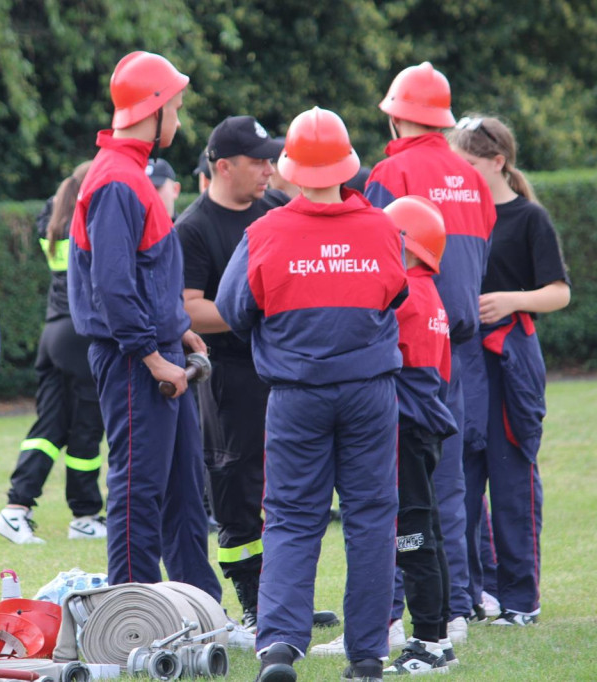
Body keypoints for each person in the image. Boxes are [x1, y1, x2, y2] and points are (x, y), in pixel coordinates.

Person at [216, 106, 408, 682]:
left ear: (291, 171)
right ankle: (368, 655)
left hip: (296, 393)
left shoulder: (264, 232)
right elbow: (394, 294)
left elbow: (231, 310)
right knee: (372, 518)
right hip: (370, 391)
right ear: (347, 167)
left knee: (292, 519)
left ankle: (278, 646)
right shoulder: (381, 227)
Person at [67, 50, 221, 601]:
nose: (178, 120)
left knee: (184, 489)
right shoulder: (116, 181)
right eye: (175, 107)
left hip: (157, 350)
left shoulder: (129, 174)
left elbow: (144, 275)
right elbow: (112, 285)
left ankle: (197, 607)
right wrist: (154, 356)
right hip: (137, 361)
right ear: (152, 111)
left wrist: (177, 329)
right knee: (139, 488)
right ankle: (131, 613)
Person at [363, 62, 497, 645]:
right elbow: (481, 247)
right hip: (455, 342)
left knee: (396, 487)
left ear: (396, 115)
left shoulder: (392, 171)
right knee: (448, 483)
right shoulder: (470, 177)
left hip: (404, 344)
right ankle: (456, 608)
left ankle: (395, 614)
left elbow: (373, 255)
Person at [448, 114, 570, 626]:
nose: (463, 175)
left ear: (498, 162)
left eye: (471, 165)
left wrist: (510, 301)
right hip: (461, 360)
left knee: (513, 480)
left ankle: (521, 601)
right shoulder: (454, 215)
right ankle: (475, 596)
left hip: (511, 360)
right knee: (462, 483)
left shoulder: (528, 218)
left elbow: (559, 292)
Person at [174, 114, 286, 630]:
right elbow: (188, 308)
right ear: (223, 166)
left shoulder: (280, 210)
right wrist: (254, 307)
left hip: (285, 371)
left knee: (289, 489)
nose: (269, 169)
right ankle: (254, 604)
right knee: (237, 492)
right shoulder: (193, 228)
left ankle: (284, 598)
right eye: (259, 160)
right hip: (231, 378)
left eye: (271, 159)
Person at [0, 161, 108, 545]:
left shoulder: (53, 219)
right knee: (87, 429)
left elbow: (55, 205)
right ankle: (85, 514)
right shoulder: (93, 221)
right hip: (82, 334)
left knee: (50, 426)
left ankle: (16, 507)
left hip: (54, 332)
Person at [380, 196, 458, 675]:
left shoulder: (405, 291)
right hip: (425, 427)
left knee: (413, 539)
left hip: (405, 429)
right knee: (428, 534)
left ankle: (426, 642)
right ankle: (440, 638)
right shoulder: (431, 294)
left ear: (404, 245)